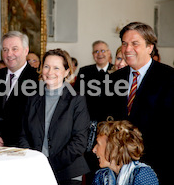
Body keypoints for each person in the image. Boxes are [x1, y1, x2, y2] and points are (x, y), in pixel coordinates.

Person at [106, 22, 174, 184]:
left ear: (150, 47)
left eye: (135, 43)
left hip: (158, 165)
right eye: (124, 43)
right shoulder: (115, 79)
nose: (127, 49)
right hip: (120, 164)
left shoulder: (169, 77)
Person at [19, 49, 90, 185]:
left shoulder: (76, 99)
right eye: (46, 66)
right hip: (35, 171)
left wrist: (48, 164)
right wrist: (33, 160)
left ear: (67, 72)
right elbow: (23, 135)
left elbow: (79, 142)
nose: (50, 72)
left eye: (56, 68)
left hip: (67, 173)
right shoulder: (32, 98)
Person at [0, 31, 39, 147]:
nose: (9, 54)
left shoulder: (37, 80)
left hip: (22, 149)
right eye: (5, 50)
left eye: (15, 49)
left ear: (26, 50)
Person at [74, 40, 113, 184]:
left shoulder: (117, 71)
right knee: (90, 158)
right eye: (96, 51)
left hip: (110, 124)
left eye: (103, 51)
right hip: (90, 122)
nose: (100, 54)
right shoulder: (85, 71)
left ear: (109, 53)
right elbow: (78, 96)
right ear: (92, 55)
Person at [92, 120, 158, 185]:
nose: (94, 150)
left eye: (98, 144)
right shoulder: (100, 176)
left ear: (114, 147)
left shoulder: (143, 175)